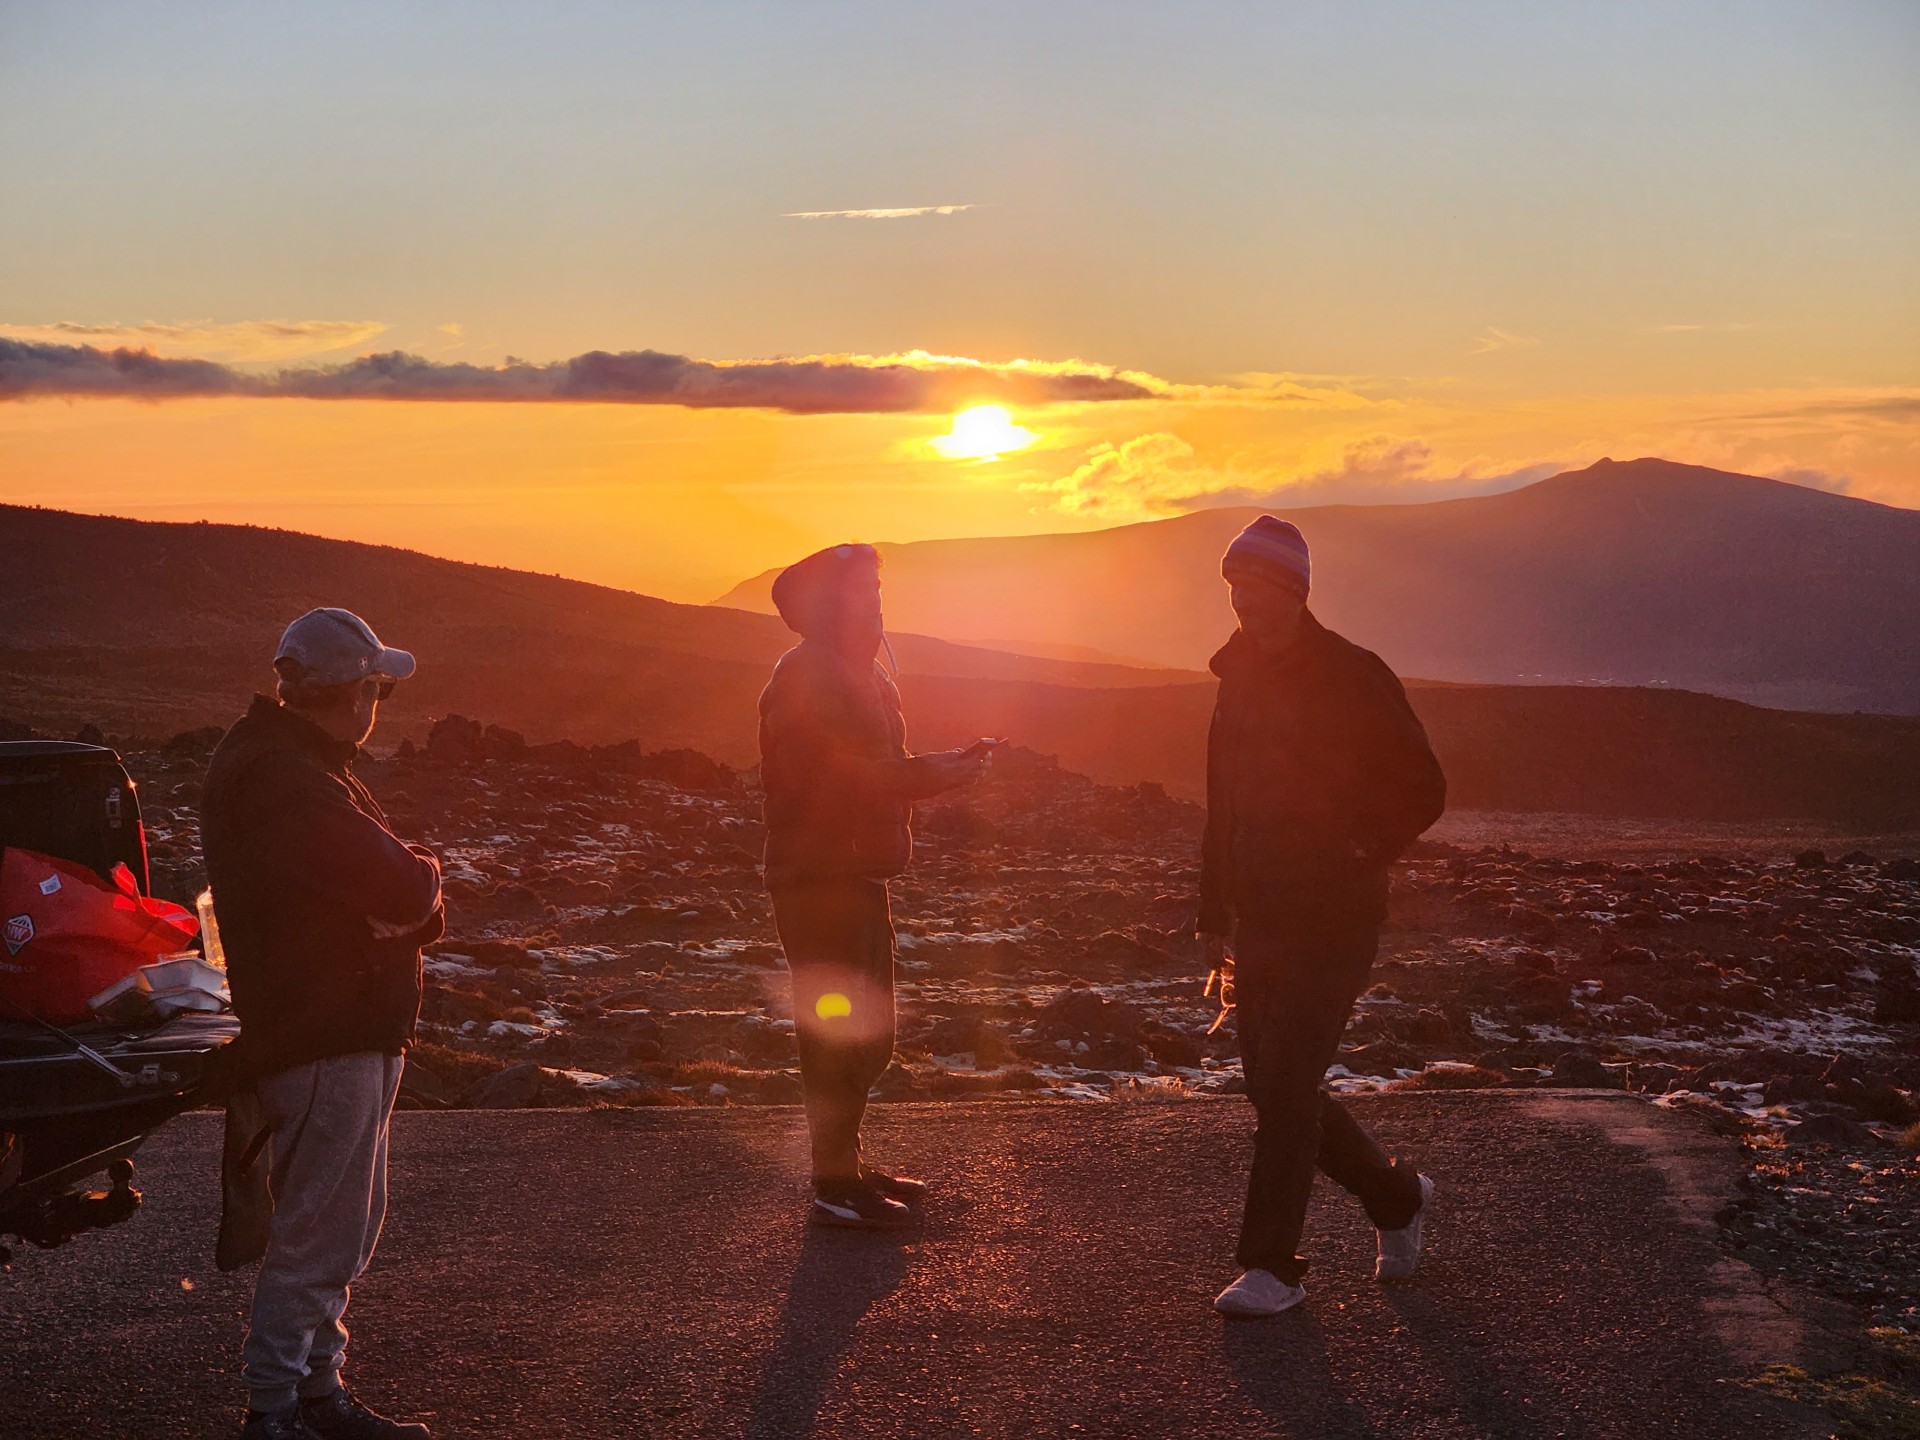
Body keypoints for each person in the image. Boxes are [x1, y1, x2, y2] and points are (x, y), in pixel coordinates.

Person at [201, 609, 443, 1439]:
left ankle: (317, 1393)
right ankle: (275, 1410)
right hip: (325, 1031)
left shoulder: (291, 762)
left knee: (339, 1229)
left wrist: (408, 903)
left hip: (335, 1026)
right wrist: (420, 883)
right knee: (318, 1238)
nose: (379, 704)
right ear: (355, 692)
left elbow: (407, 905)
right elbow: (406, 888)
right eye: (378, 689)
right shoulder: (285, 776)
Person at [1198, 517, 1448, 1319]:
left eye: (1257, 585)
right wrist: (1214, 907)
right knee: (1275, 1088)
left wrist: (1356, 850)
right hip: (1261, 915)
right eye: (1234, 584)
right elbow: (1224, 803)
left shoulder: (1350, 673)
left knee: (1287, 1086)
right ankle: (1395, 1196)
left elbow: (1423, 785)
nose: (1242, 600)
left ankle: (1272, 1267)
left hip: (1335, 915)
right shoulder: (1236, 678)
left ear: (1295, 591)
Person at [758, 543, 993, 1229]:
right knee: (837, 1033)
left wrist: (935, 768)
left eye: (877, 588)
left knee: (871, 1033)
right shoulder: (805, 676)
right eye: (862, 590)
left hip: (858, 875)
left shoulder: (865, 673)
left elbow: (877, 765)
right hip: (817, 881)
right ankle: (834, 1182)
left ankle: (848, 1165)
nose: (877, 602)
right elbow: (833, 775)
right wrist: (930, 776)